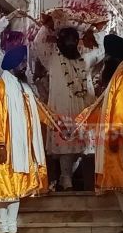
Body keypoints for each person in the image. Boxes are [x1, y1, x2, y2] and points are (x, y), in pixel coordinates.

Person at [0, 46, 50, 233]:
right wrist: (0, 144)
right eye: (22, 63)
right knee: (3, 188)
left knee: (15, 188)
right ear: (13, 65)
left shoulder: (24, 88)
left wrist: (56, 123)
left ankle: (13, 229)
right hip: (6, 147)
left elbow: (40, 112)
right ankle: (3, 229)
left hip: (23, 149)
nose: (25, 66)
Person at [77, 34, 123, 233]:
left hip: (121, 138)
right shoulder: (119, 75)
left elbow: (122, 109)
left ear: (113, 58)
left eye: (108, 57)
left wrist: (115, 135)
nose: (105, 62)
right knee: (117, 184)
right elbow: (106, 109)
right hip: (115, 136)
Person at [34, 25, 102, 191]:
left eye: (73, 40)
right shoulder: (53, 59)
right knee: (67, 146)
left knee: (79, 147)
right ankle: (66, 179)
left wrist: (47, 28)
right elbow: (101, 49)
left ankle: (71, 179)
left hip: (80, 110)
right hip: (64, 110)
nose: (71, 44)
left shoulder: (84, 60)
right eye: (69, 40)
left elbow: (39, 42)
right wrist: (93, 33)